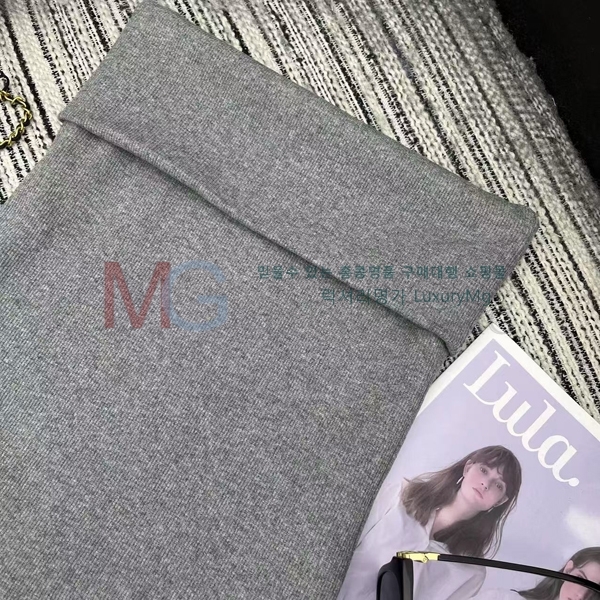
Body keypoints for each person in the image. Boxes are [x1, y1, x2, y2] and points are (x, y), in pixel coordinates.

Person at [336, 445, 522, 600]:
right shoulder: (400, 495)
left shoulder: (471, 571)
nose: (486, 484)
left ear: (500, 501)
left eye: (499, 485)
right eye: (484, 470)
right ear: (468, 468)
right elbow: (340, 537)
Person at [472, 547, 600, 600]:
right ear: (568, 570)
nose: (581, 595)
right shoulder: (502, 598)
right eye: (580, 579)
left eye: (595, 590)